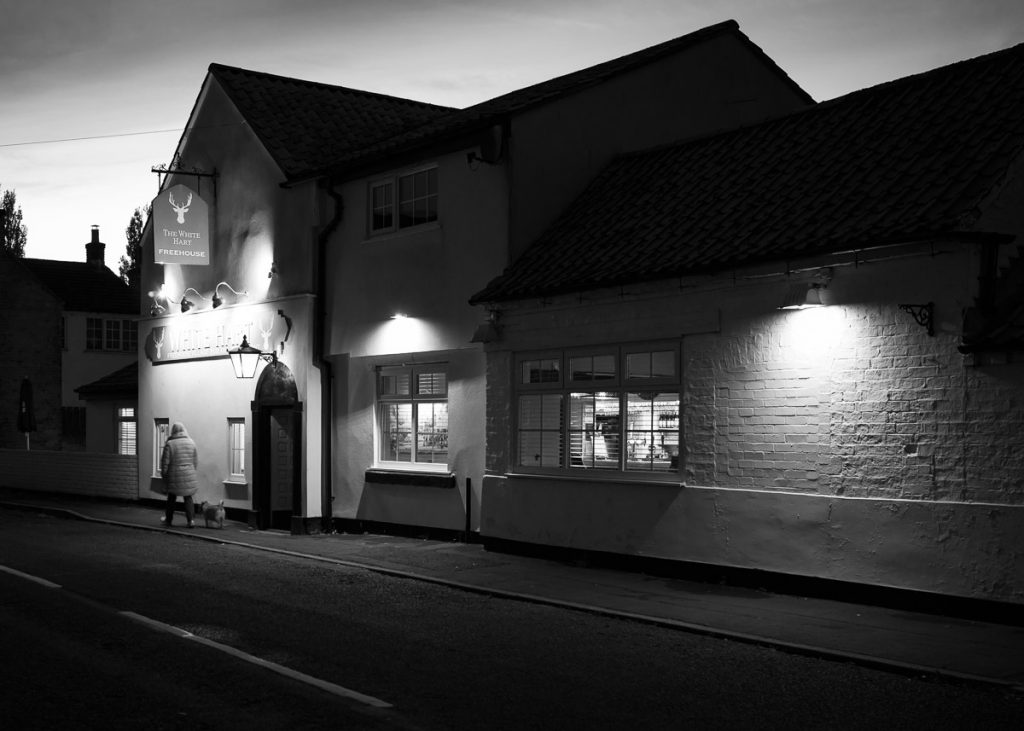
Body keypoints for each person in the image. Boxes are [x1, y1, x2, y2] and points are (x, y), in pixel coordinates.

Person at [160, 422, 199, 528]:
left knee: (171, 498)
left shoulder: (170, 444)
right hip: (189, 474)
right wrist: (191, 471)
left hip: (174, 475)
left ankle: (168, 520)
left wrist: (164, 475)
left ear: (173, 431)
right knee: (188, 497)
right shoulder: (191, 442)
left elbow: (165, 463)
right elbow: (195, 461)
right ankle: (191, 521)